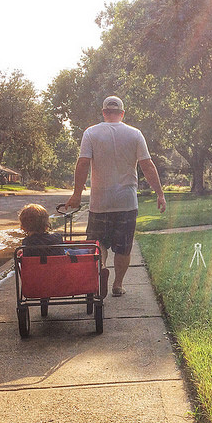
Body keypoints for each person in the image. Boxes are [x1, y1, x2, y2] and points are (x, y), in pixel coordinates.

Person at [65, 95, 166, 297]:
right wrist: (160, 194)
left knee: (97, 244)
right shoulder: (135, 134)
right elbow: (147, 165)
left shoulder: (91, 133)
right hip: (126, 202)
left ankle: (101, 267)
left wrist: (76, 194)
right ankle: (118, 285)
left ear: (104, 112)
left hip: (99, 202)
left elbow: (83, 163)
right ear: (122, 113)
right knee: (123, 247)